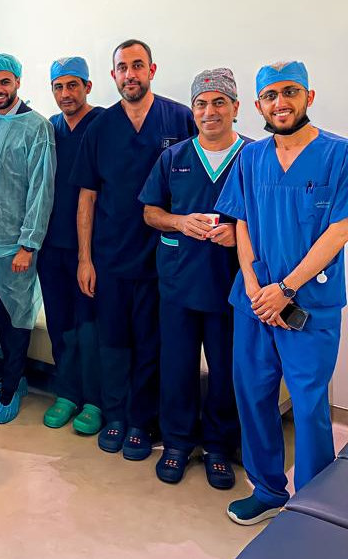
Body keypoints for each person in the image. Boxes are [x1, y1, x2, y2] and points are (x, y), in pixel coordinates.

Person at [216, 61, 348, 525]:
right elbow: (242, 223)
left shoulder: (339, 154)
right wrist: (255, 286)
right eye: (270, 95)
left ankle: (312, 505)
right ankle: (268, 490)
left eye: (290, 92)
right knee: (253, 396)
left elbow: (339, 230)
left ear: (308, 97)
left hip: (309, 303)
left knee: (309, 405)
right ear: (258, 105)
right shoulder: (250, 158)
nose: (280, 102)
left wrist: (287, 288)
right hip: (255, 303)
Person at [71, 39, 196, 460]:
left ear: (151, 70)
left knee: (150, 342)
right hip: (110, 257)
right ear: (113, 75)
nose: (130, 74)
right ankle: (115, 416)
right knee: (112, 341)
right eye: (122, 67)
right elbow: (87, 197)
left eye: (137, 65)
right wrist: (85, 259)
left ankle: (141, 421)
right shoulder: (100, 127)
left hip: (165, 257)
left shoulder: (180, 119)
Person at [140, 68, 247, 487]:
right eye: (201, 103)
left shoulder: (254, 157)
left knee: (225, 370)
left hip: (233, 285)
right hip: (179, 281)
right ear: (192, 109)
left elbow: (270, 218)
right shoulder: (174, 158)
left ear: (236, 107)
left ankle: (218, 445)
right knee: (177, 366)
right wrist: (180, 222)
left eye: (219, 102)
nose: (209, 111)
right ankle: (178, 442)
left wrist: (238, 233)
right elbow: (151, 212)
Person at [0, 53, 56, 423]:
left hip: (16, 245)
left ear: (18, 83)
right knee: (3, 314)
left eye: (4, 82)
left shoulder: (38, 127)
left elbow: (41, 190)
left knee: (18, 315)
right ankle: (13, 377)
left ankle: (10, 387)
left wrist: (28, 244)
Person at [40, 56, 105, 434]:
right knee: (60, 323)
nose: (65, 93)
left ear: (87, 87)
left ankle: (94, 400)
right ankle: (66, 393)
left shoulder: (104, 124)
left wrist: (88, 256)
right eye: (58, 87)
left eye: (72, 85)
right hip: (52, 245)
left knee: (90, 325)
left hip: (92, 250)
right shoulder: (50, 128)